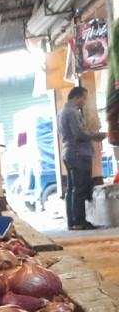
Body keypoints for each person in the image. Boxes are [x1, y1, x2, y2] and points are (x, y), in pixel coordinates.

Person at [59, 86, 107, 230]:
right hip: (79, 153)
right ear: (76, 97)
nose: (84, 103)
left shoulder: (61, 112)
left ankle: (72, 222)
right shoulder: (73, 112)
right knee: (80, 188)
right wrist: (96, 136)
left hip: (69, 152)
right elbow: (79, 134)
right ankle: (80, 221)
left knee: (72, 189)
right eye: (83, 99)